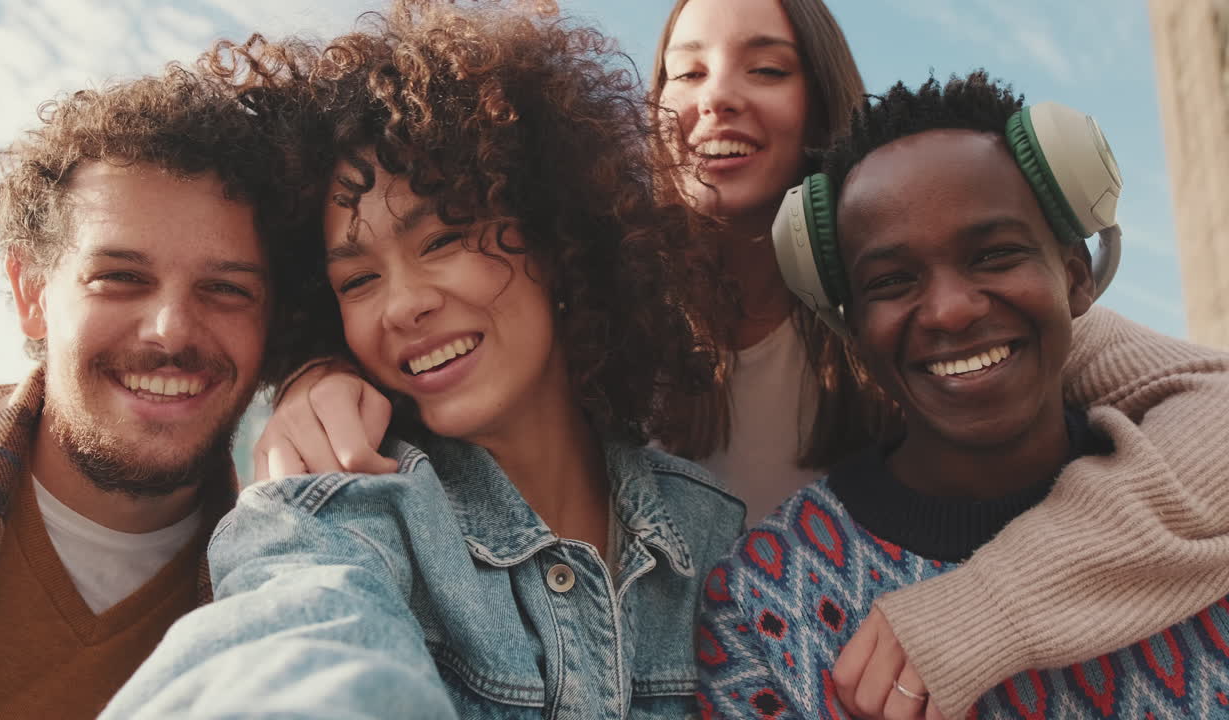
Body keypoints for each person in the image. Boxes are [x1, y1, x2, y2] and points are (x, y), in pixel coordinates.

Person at [256, 0, 1229, 712]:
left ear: (819, 106)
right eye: (684, 71)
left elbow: (1212, 419)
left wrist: (984, 604)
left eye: (764, 67)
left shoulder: (939, 312)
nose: (715, 100)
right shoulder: (564, 328)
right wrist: (315, 375)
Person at [100, 3, 744, 717]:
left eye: (441, 240)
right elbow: (294, 629)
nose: (400, 307)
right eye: (358, 280)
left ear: (557, 240)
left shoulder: (711, 526)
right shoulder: (347, 513)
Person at [697, 71, 1229, 720]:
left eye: (994, 255)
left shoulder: (1209, 531)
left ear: (1074, 278)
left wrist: (991, 605)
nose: (950, 311)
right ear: (853, 330)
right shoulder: (762, 600)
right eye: (892, 280)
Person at [0, 66, 296, 718]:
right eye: (120, 277)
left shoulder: (293, 585)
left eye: (226, 289)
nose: (171, 331)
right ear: (32, 295)